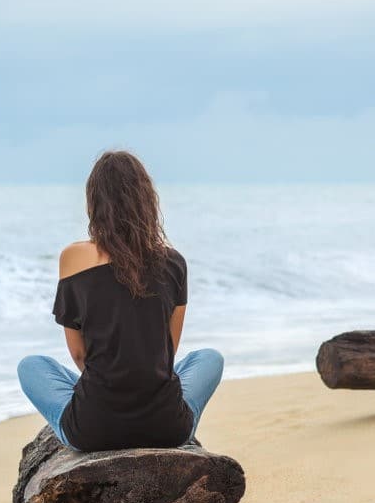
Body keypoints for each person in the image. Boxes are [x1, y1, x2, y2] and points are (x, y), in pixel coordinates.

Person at [17, 150, 223, 452]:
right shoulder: (174, 261)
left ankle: (103, 402)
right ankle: (153, 413)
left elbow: (78, 355)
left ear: (94, 204)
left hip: (92, 431)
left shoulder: (73, 258)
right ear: (146, 200)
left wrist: (108, 384)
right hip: (167, 428)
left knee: (31, 366)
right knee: (209, 358)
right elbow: (167, 350)